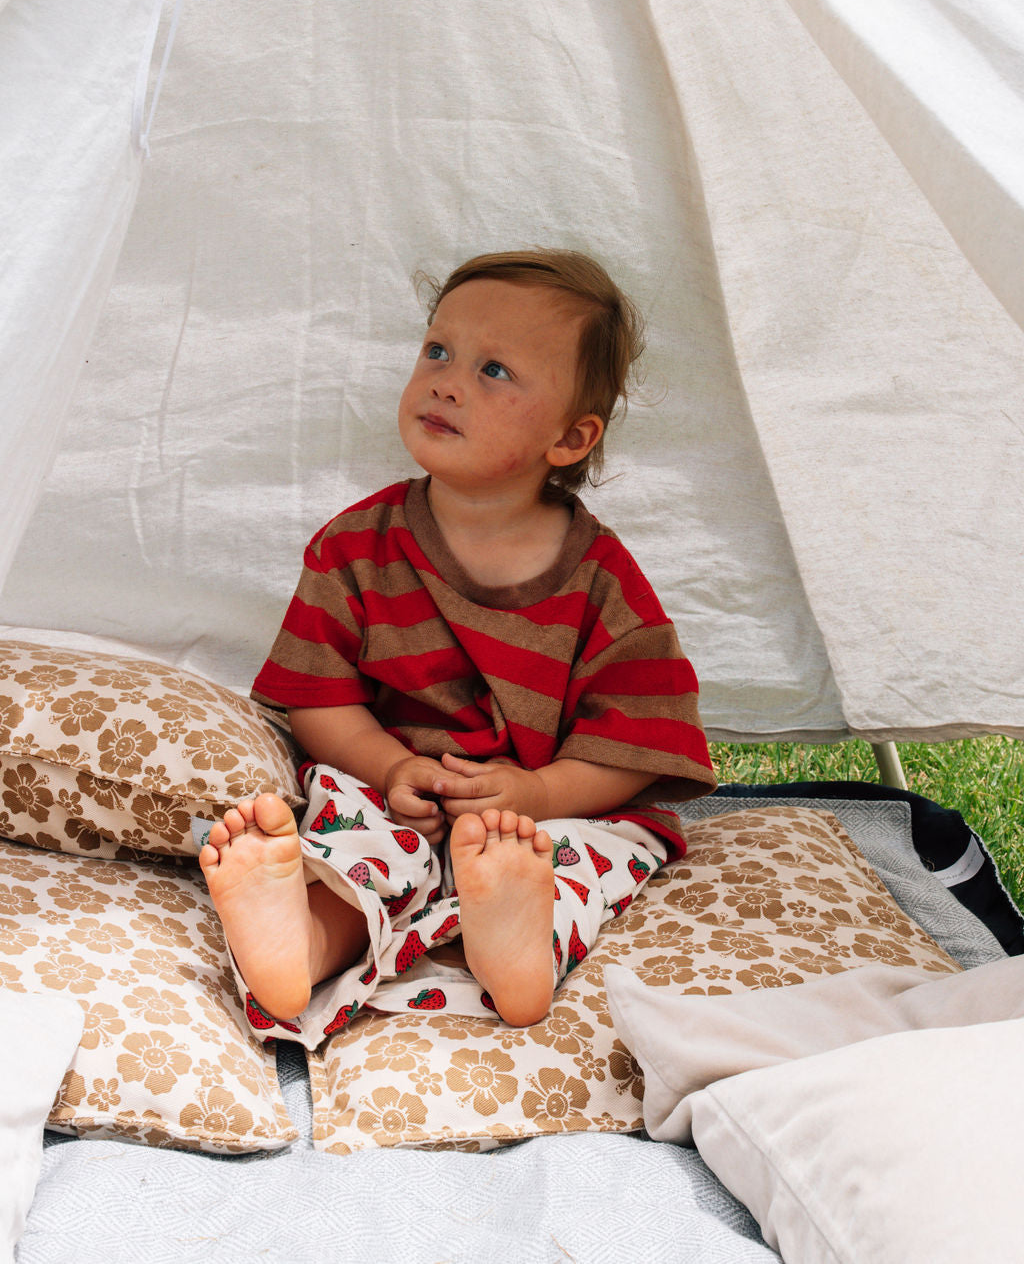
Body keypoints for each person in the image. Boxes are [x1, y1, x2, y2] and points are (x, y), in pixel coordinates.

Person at [199, 249, 716, 1045]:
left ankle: (519, 947)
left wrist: (538, 796)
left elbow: (639, 743)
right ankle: (300, 940)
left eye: (495, 370)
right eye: (437, 351)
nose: (446, 381)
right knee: (354, 840)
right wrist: (387, 767)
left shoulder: (603, 583)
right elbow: (318, 697)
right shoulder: (354, 549)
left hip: (546, 810)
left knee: (587, 855)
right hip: (402, 792)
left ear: (571, 438)